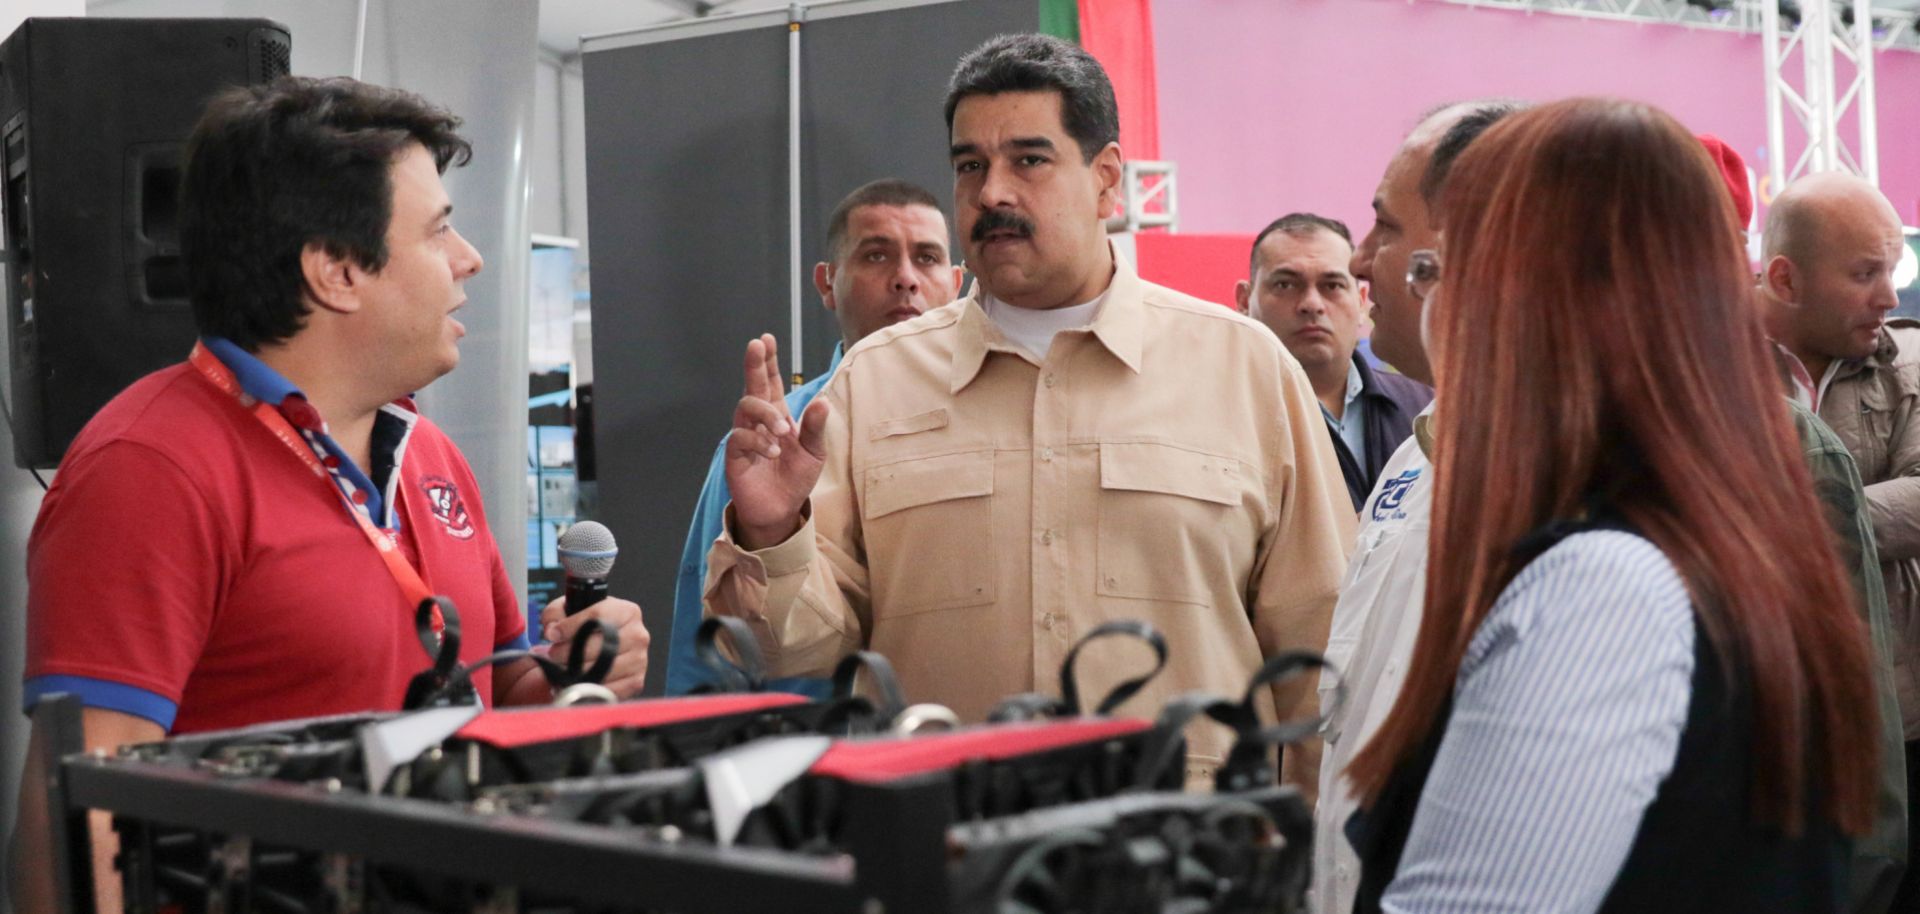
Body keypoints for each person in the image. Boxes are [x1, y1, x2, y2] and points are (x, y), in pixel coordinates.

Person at [11, 76, 649, 912]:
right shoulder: (150, 469)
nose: (470, 260)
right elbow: (75, 820)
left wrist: (570, 674)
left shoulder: (431, 456)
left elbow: (493, 695)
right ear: (338, 270)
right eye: (440, 231)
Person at [704, 33, 1353, 792]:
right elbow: (798, 652)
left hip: (1192, 858)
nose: (992, 194)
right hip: (950, 851)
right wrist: (774, 536)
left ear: (1107, 180)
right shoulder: (874, 384)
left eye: (1029, 160)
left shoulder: (1245, 371)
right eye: (970, 166)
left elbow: (1324, 656)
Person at [1344, 97, 1879, 913]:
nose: (1434, 303)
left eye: (1451, 268)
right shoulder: (1705, 524)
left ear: (1538, 300)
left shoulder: (1601, 587)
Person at [1311, 99, 1518, 914]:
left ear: (1469, 253)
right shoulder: (1416, 452)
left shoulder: (1570, 490)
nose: (1363, 262)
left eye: (1386, 230)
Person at [667, 179, 962, 695]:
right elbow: (706, 634)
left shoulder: (991, 428)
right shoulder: (769, 443)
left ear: (956, 284)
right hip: (808, 752)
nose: (906, 279)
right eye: (876, 256)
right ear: (827, 283)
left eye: (928, 258)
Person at [1761, 169, 1919, 909]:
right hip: (1775, 725)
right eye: (1865, 273)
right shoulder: (1714, 372)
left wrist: (1785, 514)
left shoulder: (1910, 365)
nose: (1889, 296)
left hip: (1904, 712)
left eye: (1891, 269)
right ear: (1785, 279)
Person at [1236, 213, 1431, 510]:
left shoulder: (1424, 407)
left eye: (1333, 285)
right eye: (1286, 285)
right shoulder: (1223, 415)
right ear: (1243, 302)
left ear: (1361, 299)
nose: (1312, 304)